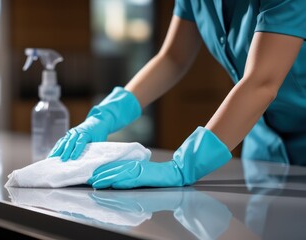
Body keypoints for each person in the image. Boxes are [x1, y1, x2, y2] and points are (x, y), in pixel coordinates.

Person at [48, 0, 306, 189]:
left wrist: (183, 166)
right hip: (264, 145)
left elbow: (261, 82)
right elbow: (172, 58)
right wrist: (105, 116)